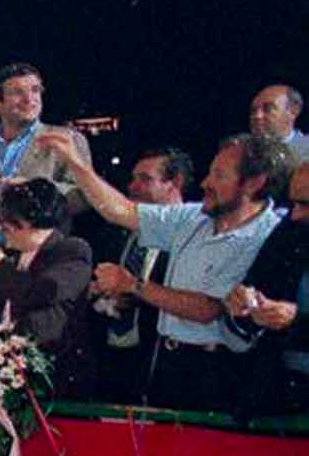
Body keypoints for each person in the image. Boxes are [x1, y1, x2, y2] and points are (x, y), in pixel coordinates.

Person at [39, 127, 287, 413]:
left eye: (219, 176)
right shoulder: (194, 217)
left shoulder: (271, 236)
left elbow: (208, 309)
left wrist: (134, 285)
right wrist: (75, 164)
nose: (206, 182)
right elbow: (121, 211)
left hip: (219, 375)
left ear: (254, 183)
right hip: (167, 363)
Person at [0, 177, 97, 396]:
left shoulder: (72, 251)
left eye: (6, 223)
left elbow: (39, 293)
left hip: (49, 384)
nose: (1, 230)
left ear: (28, 222)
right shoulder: (9, 261)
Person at [0, 62, 93, 275]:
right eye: (18, 92)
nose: (30, 99)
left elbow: (83, 198)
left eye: (35, 90)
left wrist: (34, 190)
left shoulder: (67, 141)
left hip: (40, 265)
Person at [88, 148, 191, 402]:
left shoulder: (192, 235)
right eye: (133, 178)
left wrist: (137, 294)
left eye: (145, 179)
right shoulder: (115, 232)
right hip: (111, 363)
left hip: (159, 366)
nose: (133, 186)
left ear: (175, 182)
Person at [222, 157, 309, 418]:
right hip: (275, 398)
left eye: (305, 205)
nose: (294, 214)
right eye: (293, 203)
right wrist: (241, 304)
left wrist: (296, 322)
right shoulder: (289, 232)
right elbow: (254, 285)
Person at [247, 81, 309, 165]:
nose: (257, 116)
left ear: (293, 111)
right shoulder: (241, 152)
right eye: (253, 111)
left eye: (267, 109)